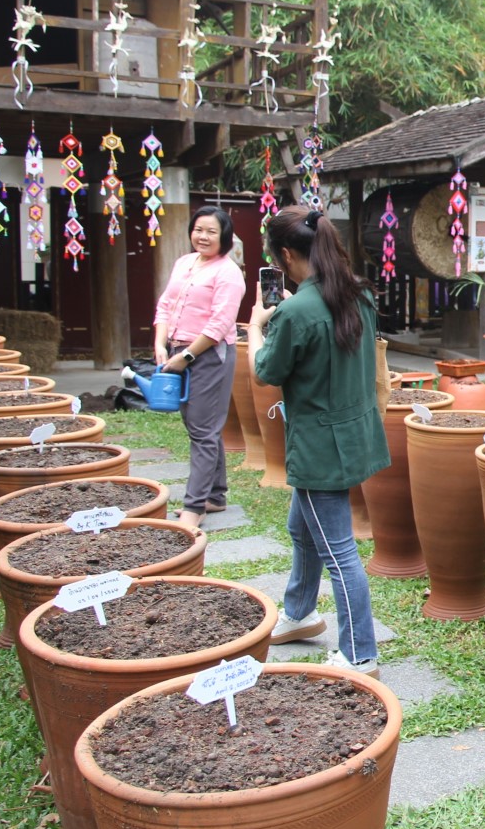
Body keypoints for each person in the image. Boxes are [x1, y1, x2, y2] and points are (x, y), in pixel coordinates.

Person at [249, 206, 389, 678]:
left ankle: (359, 654)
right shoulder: (359, 294)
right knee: (302, 527)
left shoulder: (294, 311)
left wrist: (256, 327)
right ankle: (299, 613)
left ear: (286, 255)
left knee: (340, 554)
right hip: (354, 435)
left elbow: (265, 371)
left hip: (318, 447)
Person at [152, 205, 244, 528]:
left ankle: (195, 507)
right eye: (198, 230)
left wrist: (187, 356)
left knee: (203, 430)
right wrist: (160, 344)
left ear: (224, 236)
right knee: (199, 425)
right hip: (177, 350)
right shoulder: (184, 263)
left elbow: (220, 324)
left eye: (211, 232)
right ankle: (215, 495)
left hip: (209, 355)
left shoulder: (228, 272)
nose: (203, 237)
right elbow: (165, 305)